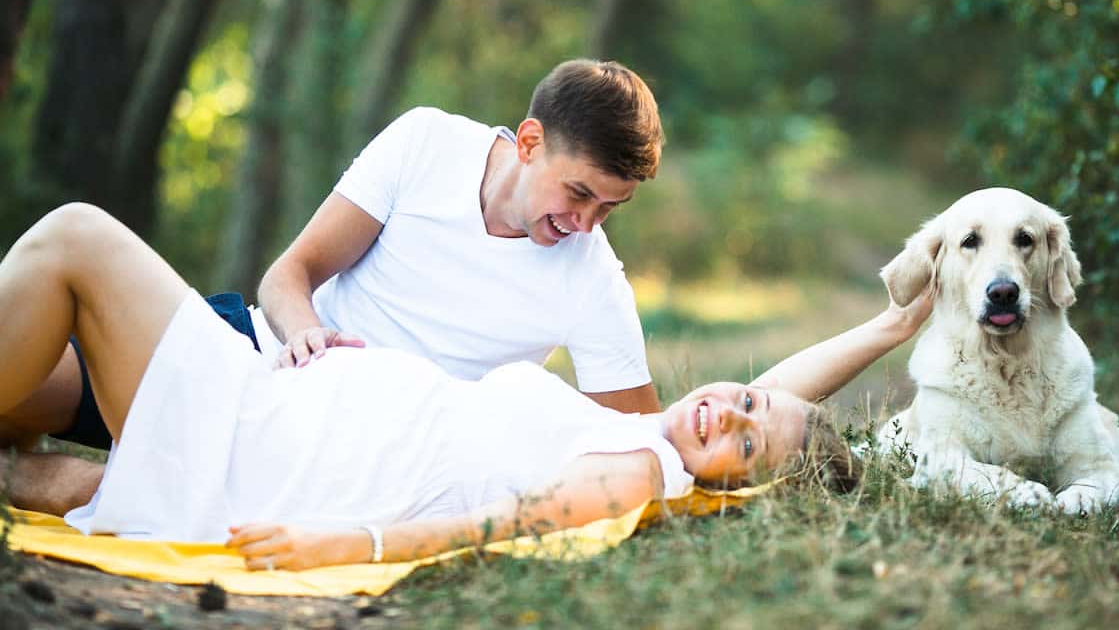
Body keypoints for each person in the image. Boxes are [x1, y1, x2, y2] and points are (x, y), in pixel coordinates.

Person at [0, 204, 931, 570]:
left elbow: (506, 524)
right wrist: (891, 328)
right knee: (31, 419)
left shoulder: (642, 473)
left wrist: (354, 542)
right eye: (746, 399)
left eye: (744, 439)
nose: (727, 410)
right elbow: (774, 404)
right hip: (282, 401)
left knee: (77, 238)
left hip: (278, 449)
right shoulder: (667, 436)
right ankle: (41, 473)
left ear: (736, 480)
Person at [1, 59, 666, 514]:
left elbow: (646, 444)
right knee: (19, 389)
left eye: (610, 208)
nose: (584, 223)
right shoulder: (427, 143)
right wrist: (304, 332)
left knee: (74, 235)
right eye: (579, 193)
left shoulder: (593, 281)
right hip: (249, 350)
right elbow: (289, 275)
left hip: (326, 444)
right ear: (529, 141)